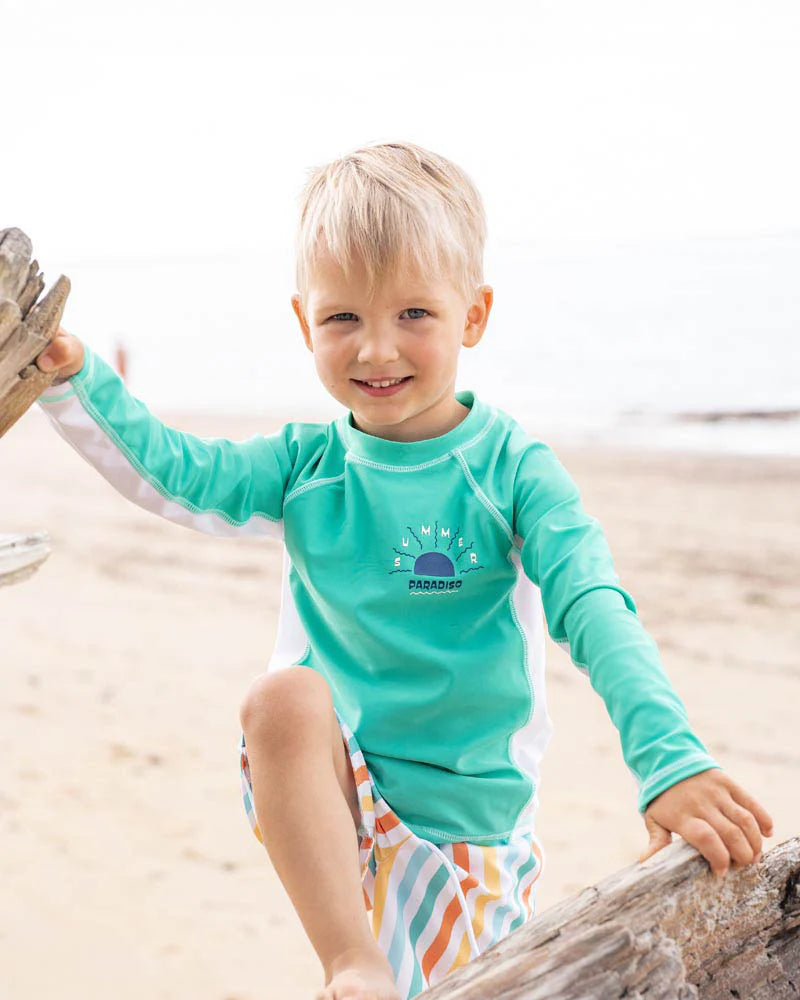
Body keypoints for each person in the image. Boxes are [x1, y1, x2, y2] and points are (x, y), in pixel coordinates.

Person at [35, 141, 773, 1000]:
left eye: (414, 313)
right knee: (281, 700)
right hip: (331, 803)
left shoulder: (514, 472)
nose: (376, 349)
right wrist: (74, 381)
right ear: (305, 323)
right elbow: (179, 474)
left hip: (469, 827)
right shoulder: (307, 465)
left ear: (474, 315)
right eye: (343, 318)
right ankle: (351, 964)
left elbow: (595, 608)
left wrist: (669, 760)